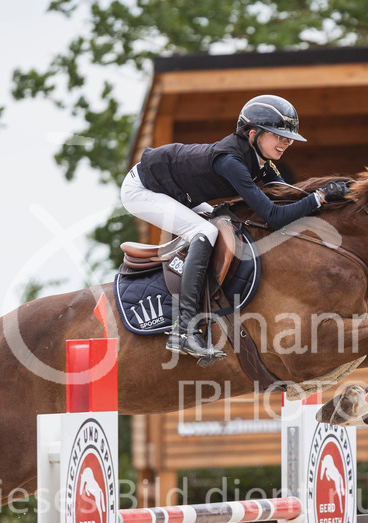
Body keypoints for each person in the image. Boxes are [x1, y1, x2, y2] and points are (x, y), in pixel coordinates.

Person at [121, 94, 348, 362]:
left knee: (223, 224)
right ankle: (182, 331)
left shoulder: (259, 160)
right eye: (278, 135)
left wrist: (332, 196)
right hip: (143, 189)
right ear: (253, 134)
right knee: (205, 232)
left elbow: (288, 192)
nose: (286, 142)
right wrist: (318, 198)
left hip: (175, 191)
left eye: (288, 137)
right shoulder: (232, 162)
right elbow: (274, 216)